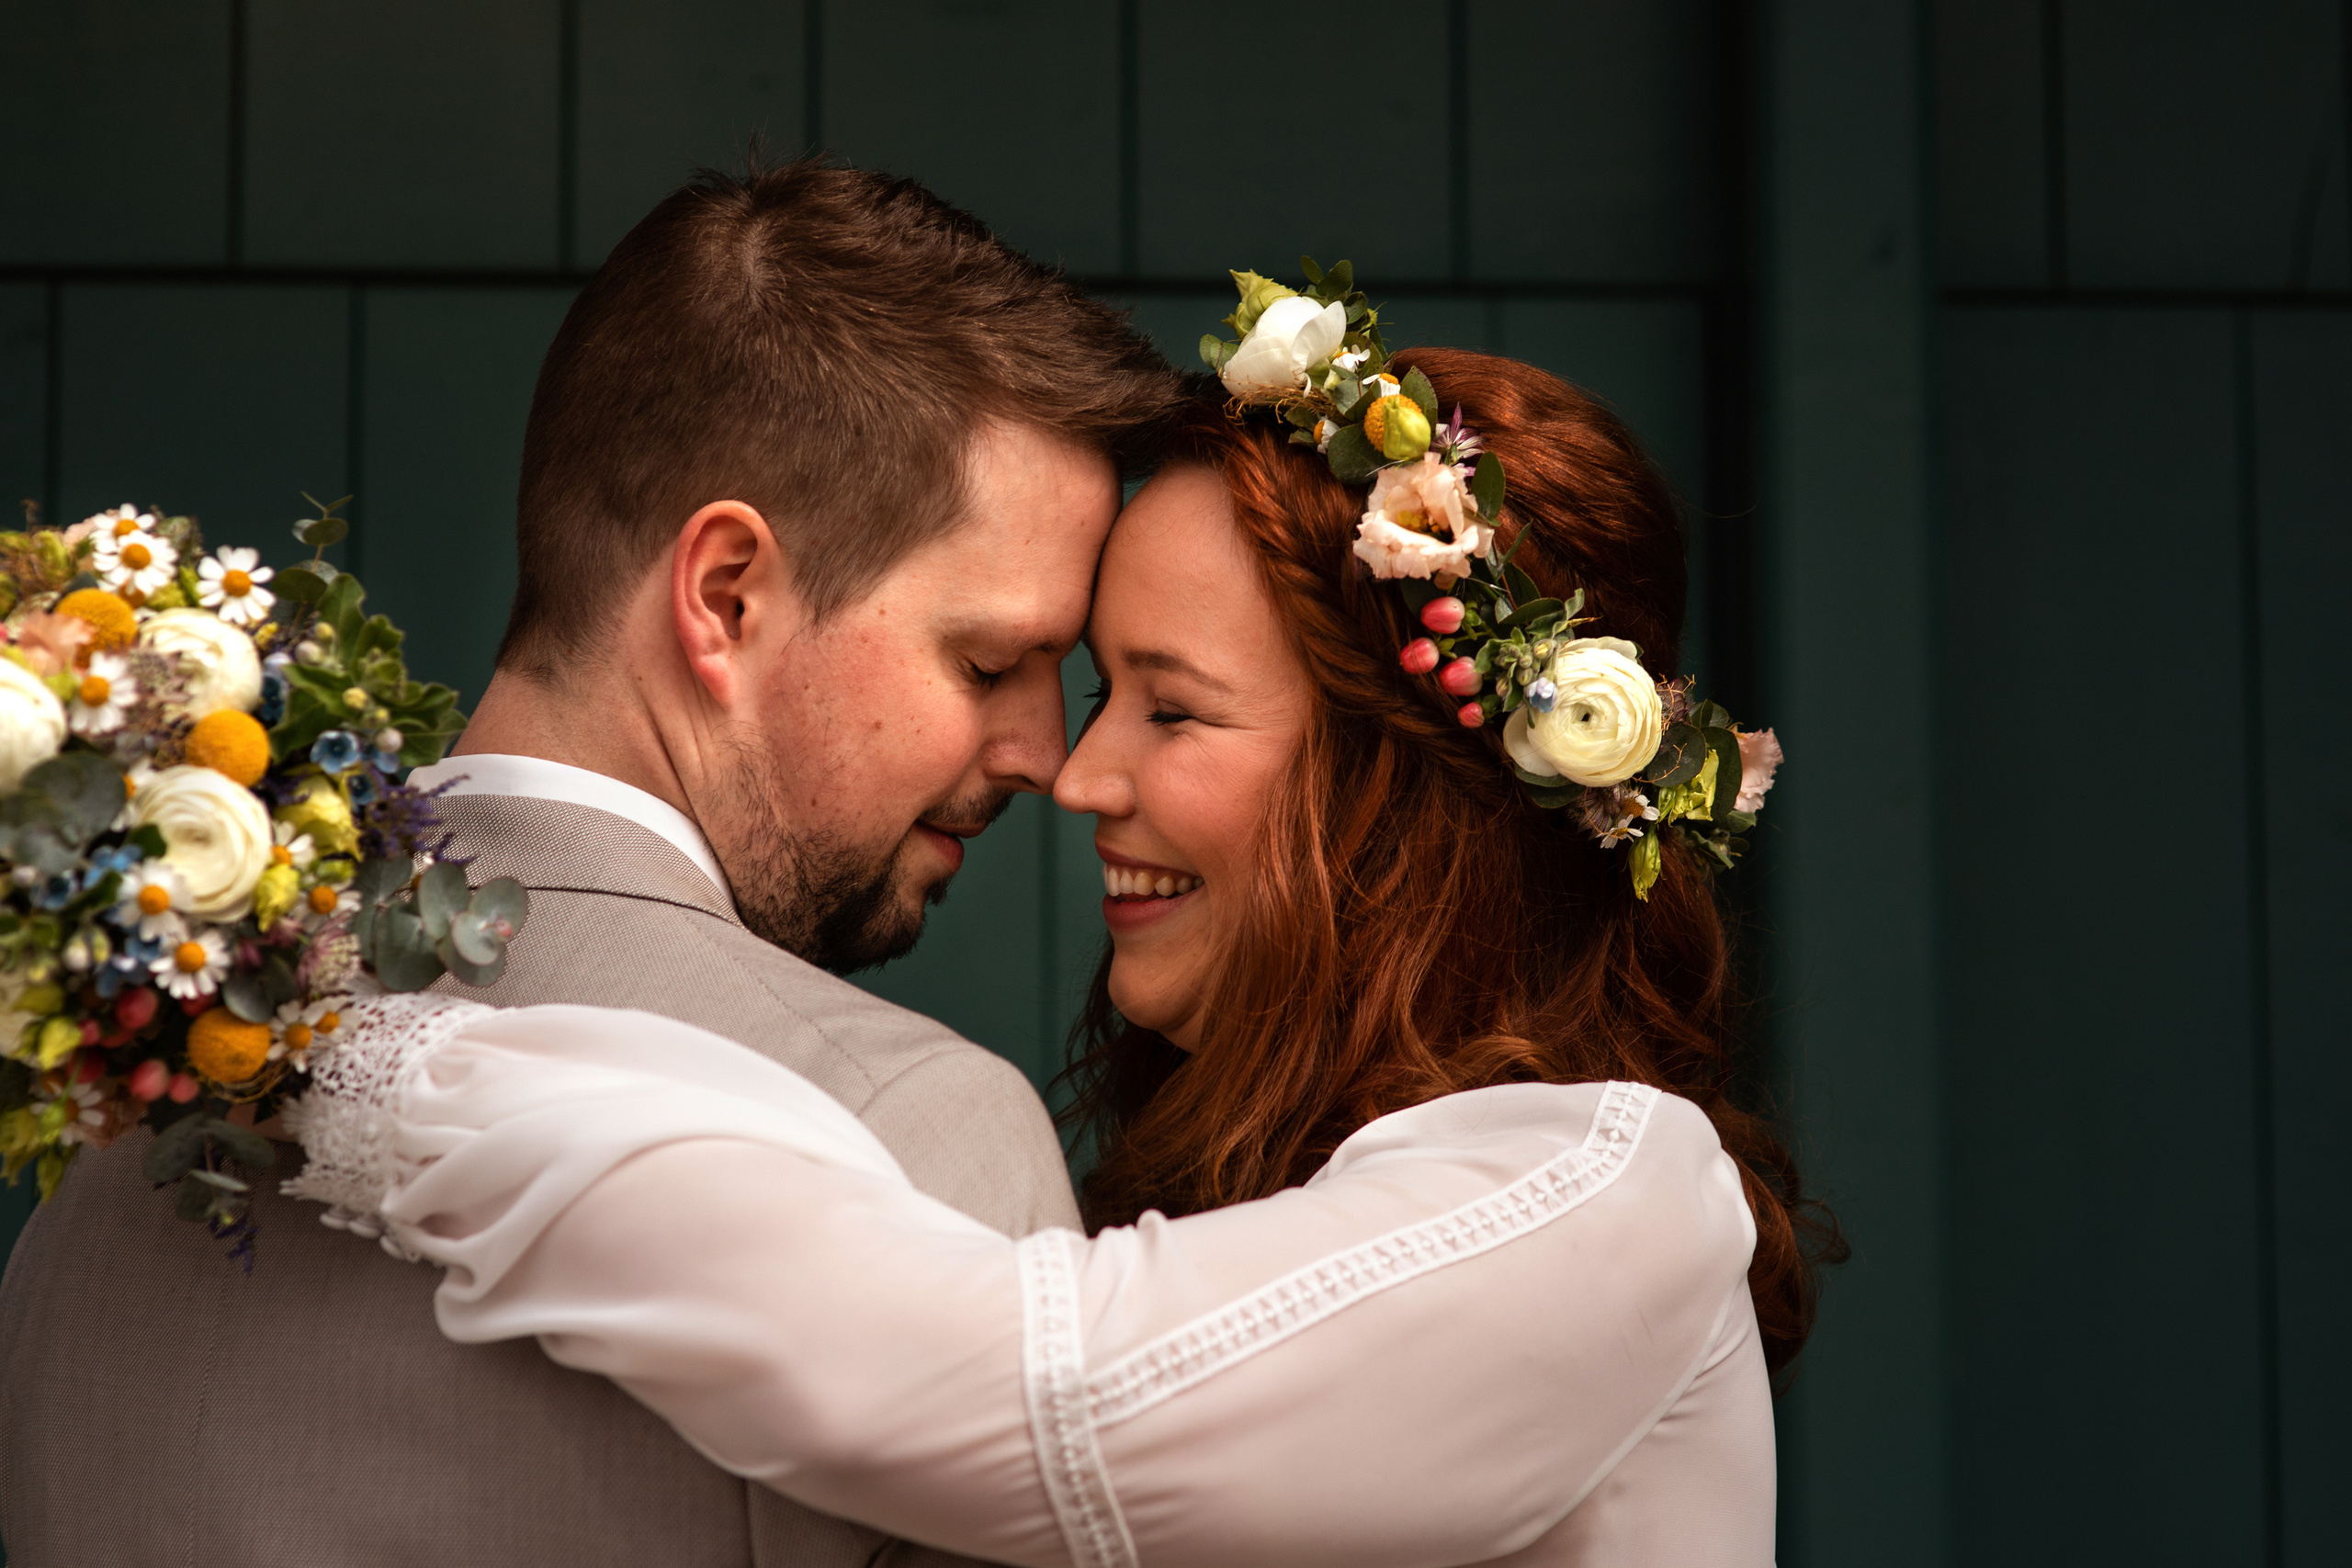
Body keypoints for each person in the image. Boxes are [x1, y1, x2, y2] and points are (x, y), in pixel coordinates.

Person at [277, 354, 1838, 1566]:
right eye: (1096, 695)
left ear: (1406, 790)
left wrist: (383, 1068)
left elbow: (1031, 1393)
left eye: (1171, 708)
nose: (1078, 777)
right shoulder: (1262, 1195)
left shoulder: (1612, 1193)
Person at [0, 162, 1179, 1566]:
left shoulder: (117, 1094)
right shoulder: (905, 1134)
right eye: (988, 662)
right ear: (725, 596)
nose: (1044, 756)